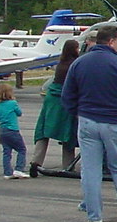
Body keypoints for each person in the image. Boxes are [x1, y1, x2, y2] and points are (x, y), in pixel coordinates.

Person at [62, 24, 117, 222]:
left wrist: (78, 111)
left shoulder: (79, 63)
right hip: (116, 122)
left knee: (90, 170)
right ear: (111, 41)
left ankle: (95, 218)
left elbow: (68, 94)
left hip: (88, 121)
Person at [29, 39, 79, 175]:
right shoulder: (74, 65)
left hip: (51, 98)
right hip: (65, 100)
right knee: (67, 133)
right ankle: (68, 165)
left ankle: (36, 161)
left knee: (44, 131)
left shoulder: (60, 64)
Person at [0, 83, 28, 179]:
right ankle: (19, 169)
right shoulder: (13, 103)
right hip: (13, 130)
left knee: (6, 152)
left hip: (3, 131)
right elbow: (19, 113)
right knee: (22, 149)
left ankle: (7, 172)